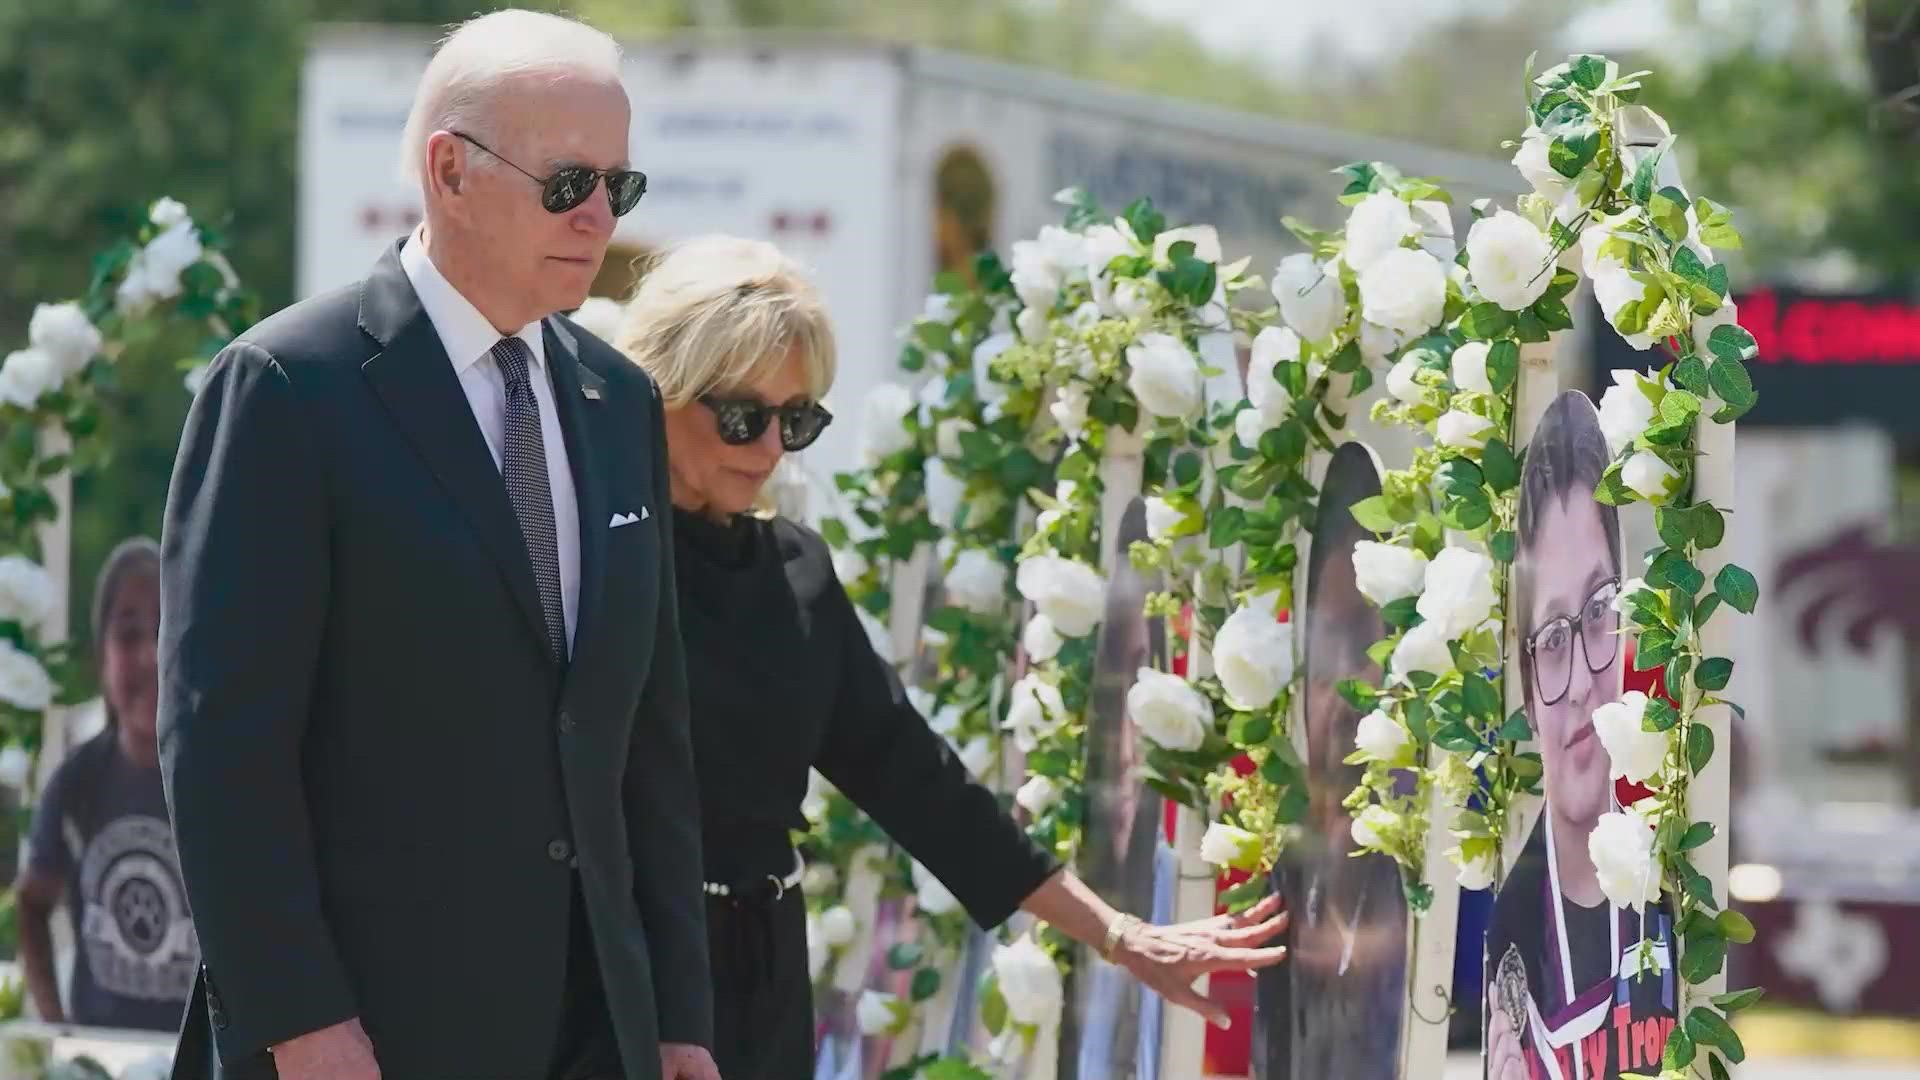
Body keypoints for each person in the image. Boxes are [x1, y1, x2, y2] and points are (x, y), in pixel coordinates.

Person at [158, 12, 715, 1080]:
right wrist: (296, 1016)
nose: (600, 216)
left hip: (597, 1033)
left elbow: (649, 738)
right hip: (364, 1035)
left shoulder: (619, 403)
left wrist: (677, 1017)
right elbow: (221, 743)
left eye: (621, 186)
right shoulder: (286, 388)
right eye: (568, 184)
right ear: (449, 172)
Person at [609, 234, 1291, 1080]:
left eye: (799, 419)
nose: (771, 448)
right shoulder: (588, 557)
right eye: (744, 416)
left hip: (762, 984)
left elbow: (920, 783)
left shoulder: (794, 572)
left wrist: (1120, 936)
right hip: (615, 980)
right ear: (659, 389)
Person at [1483, 392, 1675, 1080]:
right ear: (1527, 688)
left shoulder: (1668, 884)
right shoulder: (1515, 927)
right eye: (1553, 640)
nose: (1579, 683)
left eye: (1599, 614)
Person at [17, 538, 197, 1030]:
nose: (148, 656)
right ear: (100, 655)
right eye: (128, 632)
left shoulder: (218, 787)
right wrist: (57, 1026)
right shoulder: (76, 784)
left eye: (165, 631)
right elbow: (32, 903)